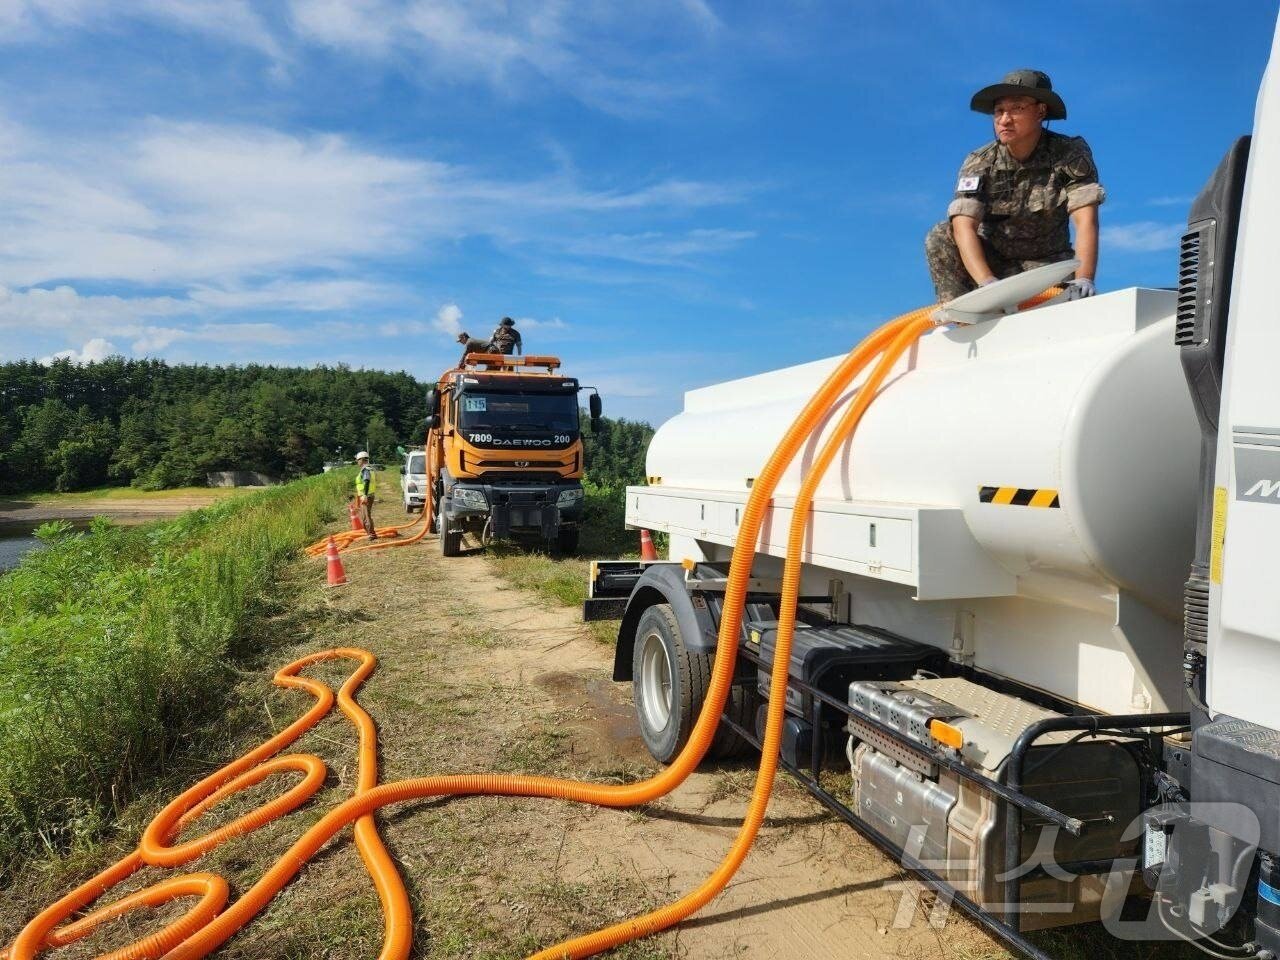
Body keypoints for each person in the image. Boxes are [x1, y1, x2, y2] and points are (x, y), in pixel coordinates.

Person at [925, 69, 1105, 303]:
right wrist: (988, 284)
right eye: (999, 111)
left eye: (1017, 109)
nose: (1004, 119)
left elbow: (1086, 220)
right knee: (940, 235)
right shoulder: (979, 162)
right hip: (992, 267)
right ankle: (957, 321)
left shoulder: (1069, 153)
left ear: (1041, 111)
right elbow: (963, 226)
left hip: (1047, 268)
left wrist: (1084, 279)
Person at [354, 451, 377, 541]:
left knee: (366, 516)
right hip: (367, 495)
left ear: (362, 460)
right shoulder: (369, 469)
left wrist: (365, 495)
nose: (357, 462)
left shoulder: (365, 470)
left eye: (358, 460)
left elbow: (366, 481)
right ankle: (371, 533)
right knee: (365, 515)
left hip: (366, 496)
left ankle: (371, 534)